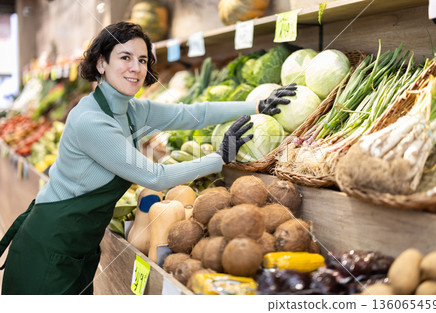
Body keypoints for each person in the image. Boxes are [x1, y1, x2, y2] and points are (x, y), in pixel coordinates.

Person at [0, 21, 296, 295]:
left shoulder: (130, 109)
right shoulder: (91, 120)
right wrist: (219, 158)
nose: (136, 68)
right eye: (125, 57)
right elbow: (155, 177)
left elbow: (192, 113)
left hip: (80, 246)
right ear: (101, 63)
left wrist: (257, 104)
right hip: (50, 243)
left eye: (142, 60)